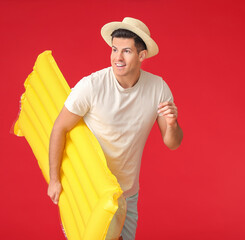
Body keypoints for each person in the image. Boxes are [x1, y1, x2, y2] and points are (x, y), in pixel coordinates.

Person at [47, 17, 183, 240]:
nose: (117, 57)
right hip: (95, 190)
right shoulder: (91, 86)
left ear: (141, 55)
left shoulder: (158, 88)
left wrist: (172, 124)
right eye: (114, 49)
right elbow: (59, 128)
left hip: (129, 193)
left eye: (126, 51)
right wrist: (55, 179)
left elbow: (172, 142)